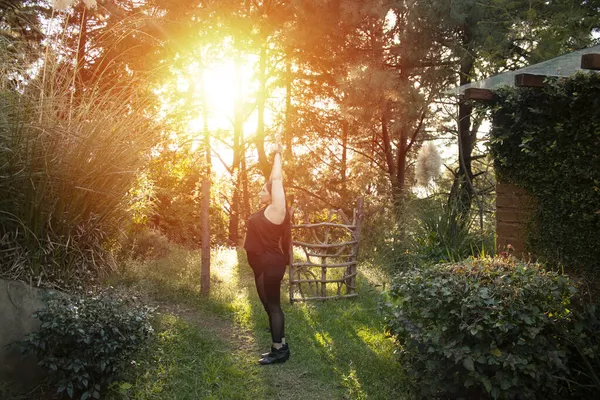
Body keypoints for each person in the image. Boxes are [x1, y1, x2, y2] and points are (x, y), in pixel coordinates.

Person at [243, 144, 292, 365]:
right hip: (262, 265)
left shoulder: (276, 210)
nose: (260, 192)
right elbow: (274, 180)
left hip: (270, 264)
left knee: (273, 306)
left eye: (264, 190)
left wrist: (278, 155)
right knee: (267, 304)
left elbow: (278, 180)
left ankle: (278, 351)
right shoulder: (267, 210)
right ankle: (280, 343)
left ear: (274, 196)